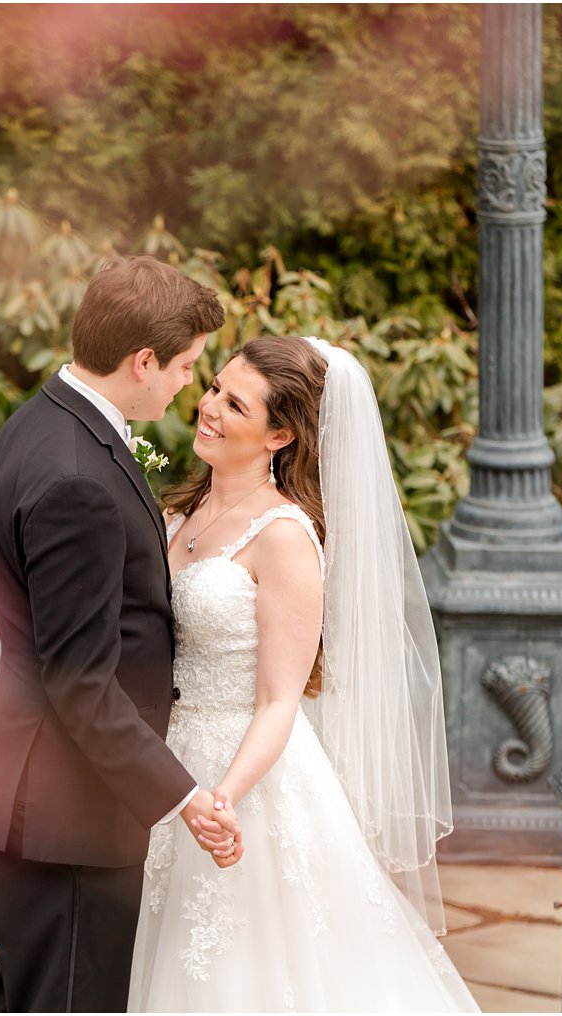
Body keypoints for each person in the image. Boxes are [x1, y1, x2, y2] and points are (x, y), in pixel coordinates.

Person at [127, 335, 479, 1012]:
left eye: (235, 404)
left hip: (244, 781)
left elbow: (279, 701)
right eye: (213, 388)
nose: (209, 407)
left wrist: (221, 799)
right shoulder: (178, 511)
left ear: (279, 435)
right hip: (166, 767)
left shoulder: (285, 537)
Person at [0, 255, 244, 1013]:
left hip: (37, 786)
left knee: (27, 992)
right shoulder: (78, 477)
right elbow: (80, 681)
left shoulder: (44, 420)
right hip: (69, 807)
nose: (190, 384)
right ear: (142, 361)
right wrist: (180, 794)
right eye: (185, 366)